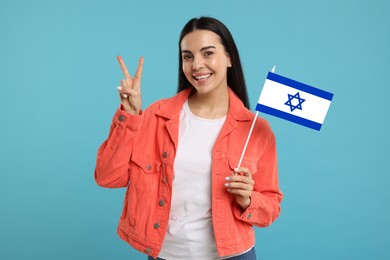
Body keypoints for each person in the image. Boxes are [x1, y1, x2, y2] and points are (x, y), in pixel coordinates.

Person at [95, 16, 283, 260]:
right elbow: (107, 177)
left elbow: (271, 207)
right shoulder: (156, 116)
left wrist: (248, 199)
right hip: (165, 255)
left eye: (208, 53)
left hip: (233, 255)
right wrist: (129, 117)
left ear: (228, 58)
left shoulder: (257, 129)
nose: (197, 65)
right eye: (188, 56)